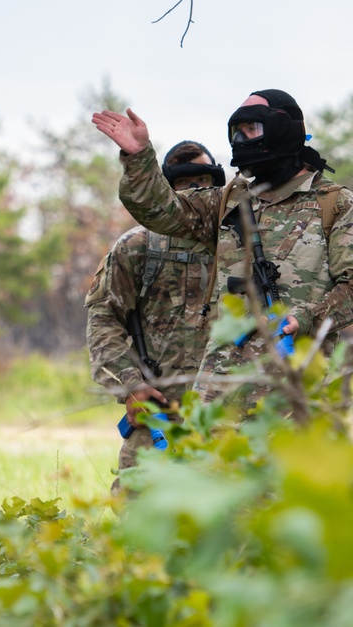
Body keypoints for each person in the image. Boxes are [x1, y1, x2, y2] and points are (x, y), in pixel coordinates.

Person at [92, 89, 353, 405]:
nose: (243, 140)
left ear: (282, 129)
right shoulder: (228, 200)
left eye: (252, 130)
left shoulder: (335, 204)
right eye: (238, 132)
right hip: (220, 396)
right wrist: (139, 157)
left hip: (296, 392)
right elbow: (161, 211)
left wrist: (307, 317)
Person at [85, 140, 222, 492]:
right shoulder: (137, 246)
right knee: (139, 520)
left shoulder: (237, 245)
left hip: (224, 411)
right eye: (186, 184)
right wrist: (131, 384)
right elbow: (103, 317)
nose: (197, 192)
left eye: (206, 182)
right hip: (157, 411)